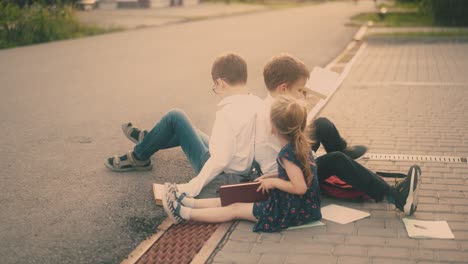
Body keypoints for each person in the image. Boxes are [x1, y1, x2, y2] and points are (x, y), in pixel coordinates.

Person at [256, 54, 421, 216]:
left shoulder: (274, 106)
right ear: (284, 88)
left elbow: (295, 139)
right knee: (336, 160)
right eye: (299, 90)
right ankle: (396, 197)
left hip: (291, 160)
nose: (301, 94)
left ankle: (346, 154)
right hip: (288, 175)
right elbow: (293, 155)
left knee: (321, 125)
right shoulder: (273, 118)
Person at [105, 53, 262, 198]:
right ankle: (150, 139)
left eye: (215, 87)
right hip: (240, 164)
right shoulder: (258, 103)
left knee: (176, 116)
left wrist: (192, 187)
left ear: (220, 83)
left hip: (223, 173)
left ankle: (139, 156)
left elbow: (219, 161)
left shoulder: (227, 114)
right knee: (191, 130)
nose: (217, 91)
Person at [163, 95, 322, 232]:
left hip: (291, 211)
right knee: (231, 197)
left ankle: (184, 214)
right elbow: (295, 174)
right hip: (299, 206)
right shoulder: (297, 146)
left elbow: (300, 187)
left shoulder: (287, 153)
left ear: (274, 128)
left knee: (235, 208)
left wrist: (274, 181)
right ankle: (188, 202)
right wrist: (272, 176)